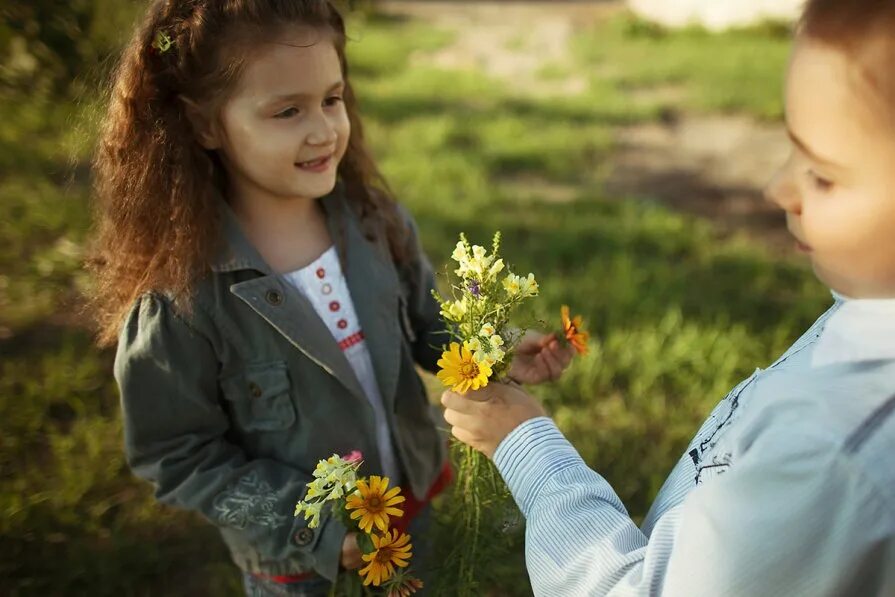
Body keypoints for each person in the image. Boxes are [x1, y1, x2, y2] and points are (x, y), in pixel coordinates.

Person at [88, 1, 570, 594]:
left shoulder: (373, 223)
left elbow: (424, 322)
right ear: (204, 124)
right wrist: (309, 528)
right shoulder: (182, 301)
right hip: (305, 571)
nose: (323, 130)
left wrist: (492, 350)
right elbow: (177, 454)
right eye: (287, 110)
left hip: (411, 514)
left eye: (331, 99)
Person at [442, 0, 895, 594]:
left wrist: (525, 443)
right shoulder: (869, 313)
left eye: (824, 173)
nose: (778, 187)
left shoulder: (835, 451)